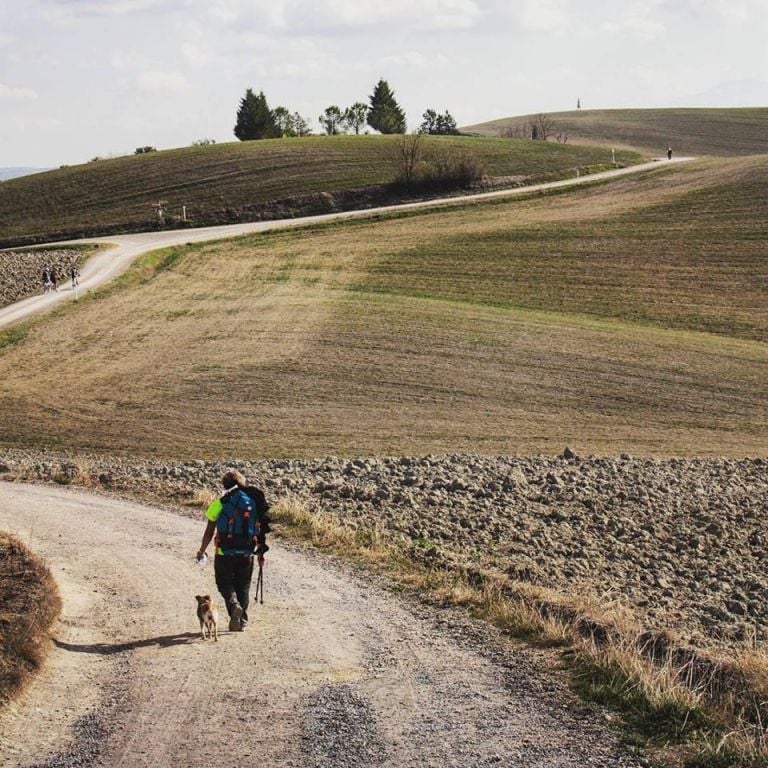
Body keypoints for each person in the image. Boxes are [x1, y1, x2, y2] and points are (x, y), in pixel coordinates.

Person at [196, 469, 270, 632]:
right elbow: (260, 528)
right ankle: (242, 621)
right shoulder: (252, 504)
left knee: (224, 583)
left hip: (224, 552)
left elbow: (209, 532)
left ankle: (233, 604)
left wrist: (202, 550)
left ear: (224, 485)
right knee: (243, 586)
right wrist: (261, 553)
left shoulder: (219, 503)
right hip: (247, 552)